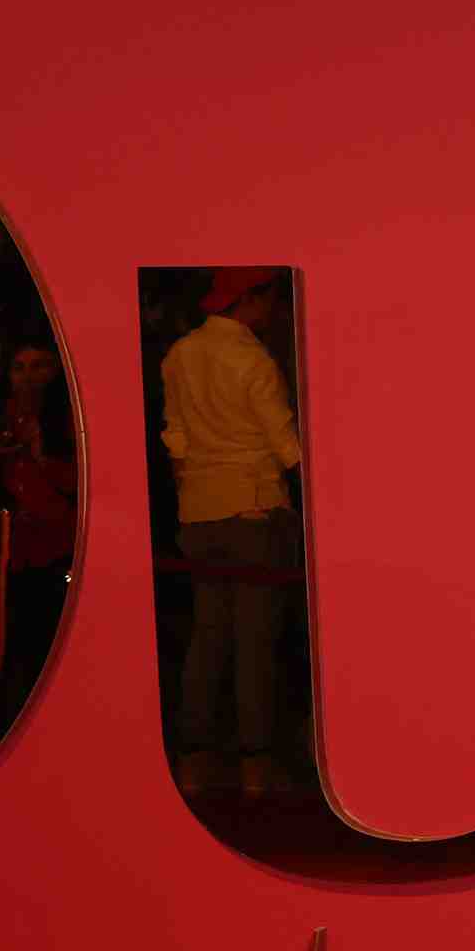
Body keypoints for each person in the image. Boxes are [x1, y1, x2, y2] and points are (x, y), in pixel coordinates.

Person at [155, 267, 303, 798]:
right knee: (255, 645)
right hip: (254, 508)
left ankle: (193, 760)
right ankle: (255, 765)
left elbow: (176, 437)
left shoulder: (179, 354)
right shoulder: (254, 360)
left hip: (198, 512)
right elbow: (288, 448)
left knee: (206, 639)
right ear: (252, 299)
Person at [0, 333, 78, 742]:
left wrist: (39, 452)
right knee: (15, 655)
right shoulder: (1, 420)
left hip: (62, 553)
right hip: (13, 558)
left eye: (39, 367)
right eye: (20, 368)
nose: (29, 377)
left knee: (57, 654)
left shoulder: (70, 419)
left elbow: (79, 485)